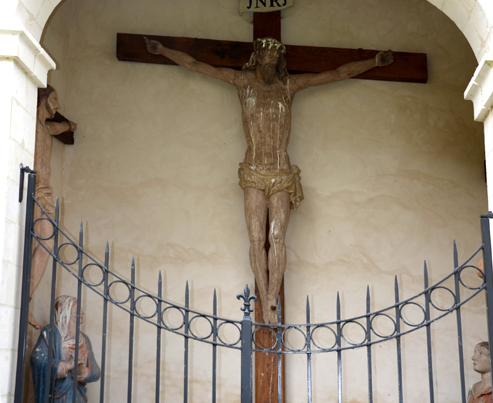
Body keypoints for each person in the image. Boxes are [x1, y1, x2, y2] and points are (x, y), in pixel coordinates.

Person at [145, 35, 393, 323]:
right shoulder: (242, 82)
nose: (272, 64)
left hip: (281, 172)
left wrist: (373, 62)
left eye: (276, 61)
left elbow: (336, 74)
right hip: (253, 170)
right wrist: (162, 50)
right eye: (267, 59)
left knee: (276, 237)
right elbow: (197, 65)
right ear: (258, 58)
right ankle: (263, 298)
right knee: (255, 238)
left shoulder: (289, 85)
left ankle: (272, 301)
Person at [30, 87, 77, 329]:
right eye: (54, 101)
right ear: (42, 100)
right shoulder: (28, 124)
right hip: (33, 186)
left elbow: (58, 128)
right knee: (34, 242)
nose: (57, 106)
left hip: (45, 191)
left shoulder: (47, 129)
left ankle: (26, 297)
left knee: (48, 243)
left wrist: (70, 126)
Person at [30, 295, 100, 403]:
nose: (82, 313)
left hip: (78, 396)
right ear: (65, 313)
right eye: (77, 310)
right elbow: (37, 359)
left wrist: (86, 373)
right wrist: (64, 366)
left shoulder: (84, 339)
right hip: (57, 395)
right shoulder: (50, 334)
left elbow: (96, 370)